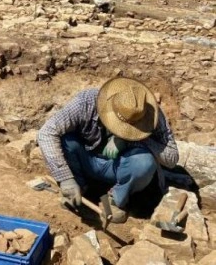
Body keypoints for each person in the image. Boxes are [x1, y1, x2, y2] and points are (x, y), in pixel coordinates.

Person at [38, 77, 178, 224]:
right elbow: (46, 133)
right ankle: (78, 187)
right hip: (87, 159)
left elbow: (172, 159)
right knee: (66, 139)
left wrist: (135, 136)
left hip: (118, 168)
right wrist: (65, 179)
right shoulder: (86, 102)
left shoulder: (150, 114)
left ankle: (115, 199)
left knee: (144, 163)